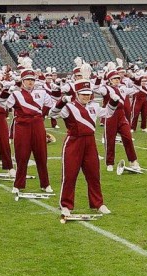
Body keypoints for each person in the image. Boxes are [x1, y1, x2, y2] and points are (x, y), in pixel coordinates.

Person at [49, 72, 115, 215]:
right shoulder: (69, 107)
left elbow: (108, 113)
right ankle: (66, 205)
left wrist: (113, 102)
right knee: (70, 174)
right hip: (74, 141)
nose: (86, 96)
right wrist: (62, 101)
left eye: (88, 94)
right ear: (77, 93)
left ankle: (98, 204)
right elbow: (52, 114)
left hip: (90, 142)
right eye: (83, 94)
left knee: (93, 174)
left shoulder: (94, 106)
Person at [0, 62, 54, 193]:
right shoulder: (16, 94)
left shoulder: (42, 92)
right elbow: (2, 104)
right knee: (22, 155)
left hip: (38, 125)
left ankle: (45, 184)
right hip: (22, 126)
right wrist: (6, 92)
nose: (30, 82)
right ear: (22, 81)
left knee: (41, 155)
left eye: (32, 80)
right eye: (27, 80)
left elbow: (53, 104)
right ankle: (18, 185)